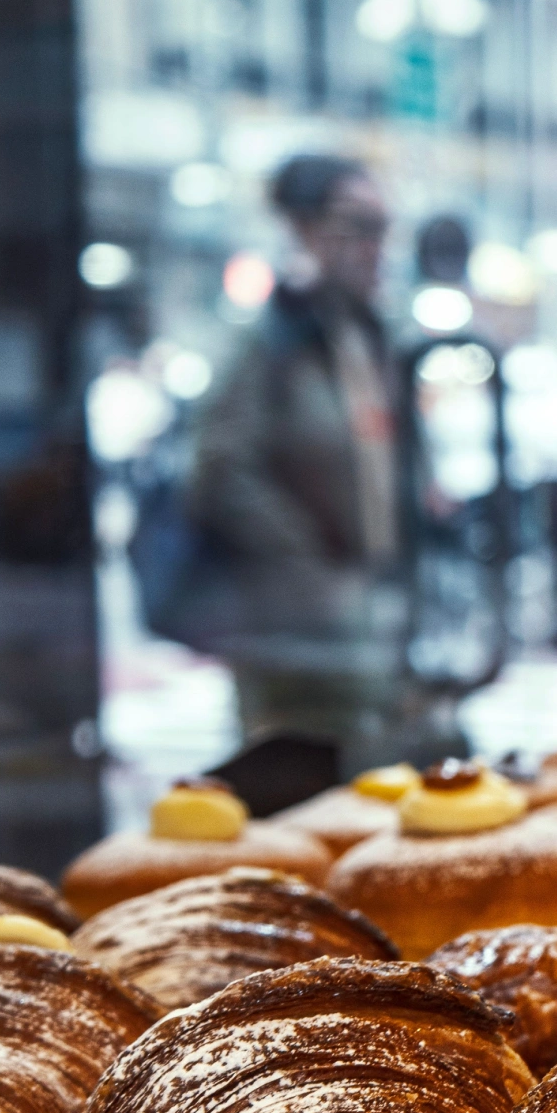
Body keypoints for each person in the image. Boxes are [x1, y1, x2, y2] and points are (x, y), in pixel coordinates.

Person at [191, 154, 435, 770]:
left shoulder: (369, 335)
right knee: (298, 784)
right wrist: (310, 571)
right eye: (358, 225)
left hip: (372, 620)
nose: (375, 246)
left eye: (383, 227)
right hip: (293, 633)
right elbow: (219, 473)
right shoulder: (270, 342)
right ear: (304, 230)